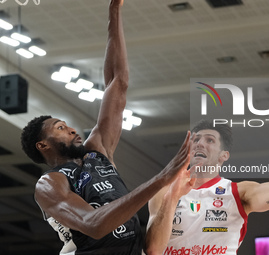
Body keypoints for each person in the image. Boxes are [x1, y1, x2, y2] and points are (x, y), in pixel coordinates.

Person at [20, 1, 192, 254]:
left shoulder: (97, 151)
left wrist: (114, 10)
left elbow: (117, 82)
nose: (71, 130)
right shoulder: (49, 184)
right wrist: (161, 178)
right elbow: (94, 225)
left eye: (68, 125)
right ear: (43, 145)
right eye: (60, 128)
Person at [145, 110, 269, 255]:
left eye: (210, 140)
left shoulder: (239, 192)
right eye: (196, 139)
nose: (200, 143)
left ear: (224, 155)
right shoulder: (163, 191)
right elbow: (153, 249)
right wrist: (172, 197)